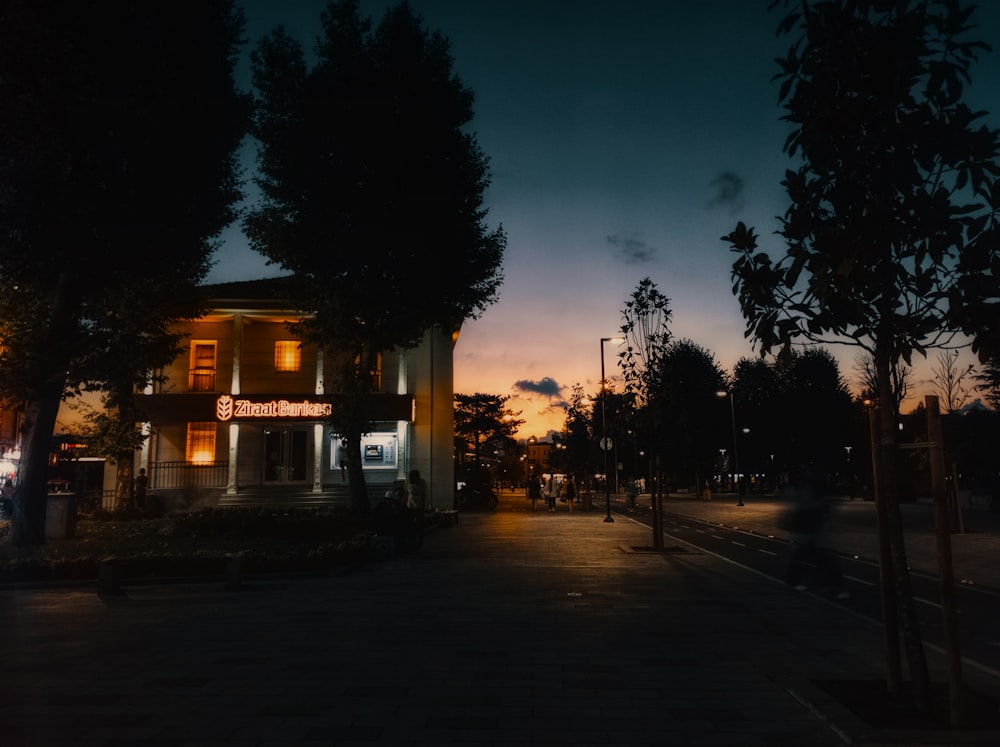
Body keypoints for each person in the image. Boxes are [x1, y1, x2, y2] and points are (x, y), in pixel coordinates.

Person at [783, 465, 849, 599]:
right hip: (810, 531)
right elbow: (806, 508)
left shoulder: (806, 490)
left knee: (810, 557)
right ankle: (833, 587)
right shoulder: (811, 492)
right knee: (821, 559)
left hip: (810, 531)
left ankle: (795, 581)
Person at [406, 469, 428, 547]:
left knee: (417, 525)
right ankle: (415, 542)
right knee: (416, 525)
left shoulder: (420, 483)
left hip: (415, 506)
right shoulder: (417, 482)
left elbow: (423, 494)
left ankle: (417, 542)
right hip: (413, 506)